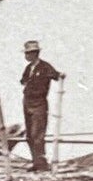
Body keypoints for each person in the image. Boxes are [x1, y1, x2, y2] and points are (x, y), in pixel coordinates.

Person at [20, 40, 64, 172]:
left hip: (39, 104)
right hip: (27, 103)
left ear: (35, 53)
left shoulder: (45, 67)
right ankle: (36, 162)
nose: (26, 56)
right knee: (29, 135)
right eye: (26, 53)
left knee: (37, 135)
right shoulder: (28, 68)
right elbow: (22, 81)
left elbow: (56, 75)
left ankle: (42, 164)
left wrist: (61, 75)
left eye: (28, 53)